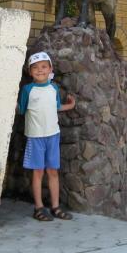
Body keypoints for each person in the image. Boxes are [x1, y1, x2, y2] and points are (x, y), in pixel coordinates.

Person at [18, 51, 76, 221]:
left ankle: (55, 207)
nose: (40, 70)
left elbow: (56, 106)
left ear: (50, 68)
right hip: (35, 136)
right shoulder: (28, 89)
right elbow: (21, 109)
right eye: (35, 67)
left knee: (52, 172)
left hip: (53, 135)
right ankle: (38, 208)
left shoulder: (54, 88)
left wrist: (70, 106)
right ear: (30, 71)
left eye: (44, 67)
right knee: (38, 172)